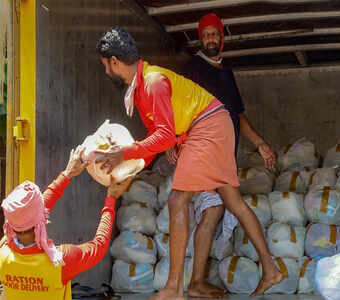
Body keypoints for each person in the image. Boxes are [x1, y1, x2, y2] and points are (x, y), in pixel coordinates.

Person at [95, 26, 283, 300]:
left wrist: (124, 153)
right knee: (233, 201)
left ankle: (173, 289)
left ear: (114, 61)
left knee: (177, 200)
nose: (106, 72)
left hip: (208, 126)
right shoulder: (140, 89)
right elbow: (156, 139)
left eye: (105, 66)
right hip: (211, 125)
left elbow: (163, 136)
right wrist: (130, 172)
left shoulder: (152, 82)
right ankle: (270, 269)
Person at [179, 12, 281, 297]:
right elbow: (181, 108)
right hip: (205, 151)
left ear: (222, 37)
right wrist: (177, 143)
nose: (211, 38)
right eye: (206, 34)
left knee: (221, 207)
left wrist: (260, 143)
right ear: (201, 38)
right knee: (217, 208)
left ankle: (198, 282)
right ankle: (196, 282)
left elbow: (237, 115)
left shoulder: (226, 72)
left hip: (221, 155)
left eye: (215, 33)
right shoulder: (193, 69)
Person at [0, 146, 133, 300]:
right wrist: (111, 199)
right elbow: (99, 246)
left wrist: (67, 174)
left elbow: (31, 214)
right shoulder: (62, 260)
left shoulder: (4, 253)